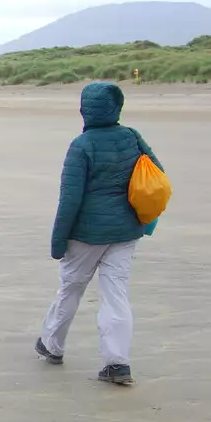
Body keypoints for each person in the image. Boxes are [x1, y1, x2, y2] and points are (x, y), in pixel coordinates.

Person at [35, 81, 163, 386]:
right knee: (115, 294)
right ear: (117, 107)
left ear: (84, 110)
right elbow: (156, 174)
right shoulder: (132, 137)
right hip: (125, 231)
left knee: (71, 288)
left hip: (86, 234)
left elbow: (70, 200)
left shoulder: (81, 146)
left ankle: (52, 346)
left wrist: (57, 242)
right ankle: (117, 363)